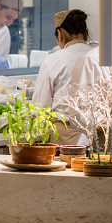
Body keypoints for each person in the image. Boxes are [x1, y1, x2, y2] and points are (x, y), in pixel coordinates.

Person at [32, 10, 93, 145]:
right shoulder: (99, 57)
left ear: (59, 34)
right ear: (86, 33)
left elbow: (40, 107)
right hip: (99, 136)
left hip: (66, 137)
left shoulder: (53, 60)